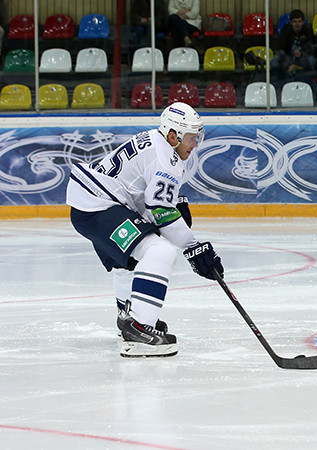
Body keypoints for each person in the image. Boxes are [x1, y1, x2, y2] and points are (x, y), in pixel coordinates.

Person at [66, 102, 224, 358]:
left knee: (127, 262)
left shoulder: (153, 139)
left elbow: (143, 194)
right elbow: (159, 209)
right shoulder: (167, 158)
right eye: (192, 138)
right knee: (160, 252)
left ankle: (128, 317)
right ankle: (138, 329)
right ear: (173, 135)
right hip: (99, 206)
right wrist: (192, 247)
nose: (195, 144)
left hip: (92, 204)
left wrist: (173, 208)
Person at [272, 9, 317, 76]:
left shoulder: (308, 30)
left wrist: (301, 53)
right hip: (289, 57)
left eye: (299, 21)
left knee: (312, 59)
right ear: (291, 22)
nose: (297, 24)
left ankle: (310, 78)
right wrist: (288, 64)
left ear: (303, 22)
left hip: (303, 57)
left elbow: (312, 47)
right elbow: (281, 49)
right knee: (274, 61)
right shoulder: (285, 30)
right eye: (294, 22)